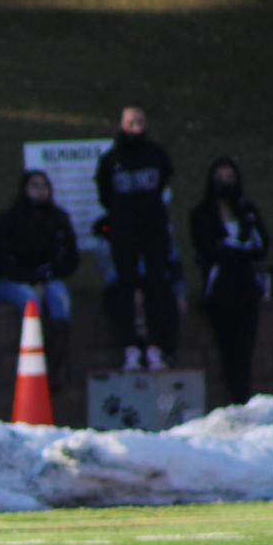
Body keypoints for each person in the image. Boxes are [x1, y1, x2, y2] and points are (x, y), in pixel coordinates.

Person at [94, 106, 177, 371]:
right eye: (131, 123)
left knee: (156, 285)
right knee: (125, 286)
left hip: (153, 229)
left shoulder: (156, 155)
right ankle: (130, 346)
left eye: (140, 122)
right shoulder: (111, 159)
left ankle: (155, 346)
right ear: (121, 125)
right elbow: (105, 193)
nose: (136, 128)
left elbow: (164, 179)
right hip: (124, 230)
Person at [189, 157, 271, 405]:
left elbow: (260, 246)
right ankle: (233, 400)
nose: (226, 183)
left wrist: (234, 250)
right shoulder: (202, 214)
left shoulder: (246, 211)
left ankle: (242, 399)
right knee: (228, 350)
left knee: (245, 350)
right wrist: (236, 251)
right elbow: (209, 249)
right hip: (221, 293)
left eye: (231, 177)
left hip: (246, 289)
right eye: (221, 177)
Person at [0, 170, 80, 385]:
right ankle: (34, 361)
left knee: (59, 297)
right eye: (34, 185)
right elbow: (2, 262)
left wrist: (48, 274)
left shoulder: (58, 219)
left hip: (48, 277)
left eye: (44, 186)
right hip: (14, 279)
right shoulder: (10, 219)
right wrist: (30, 278)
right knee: (30, 301)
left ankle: (54, 367)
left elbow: (70, 258)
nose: (40, 191)